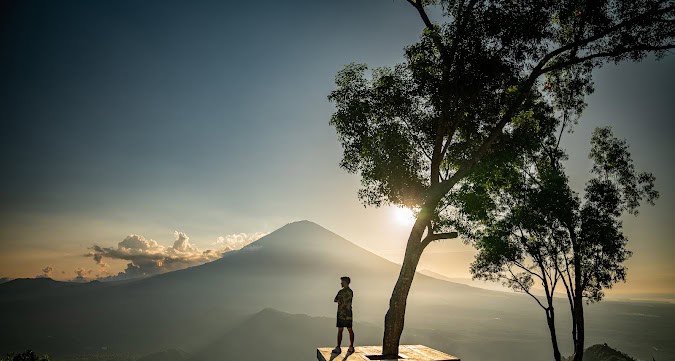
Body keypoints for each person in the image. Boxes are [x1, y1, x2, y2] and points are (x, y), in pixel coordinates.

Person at [332, 276, 355, 354]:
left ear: (345, 282)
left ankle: (338, 347)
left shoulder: (341, 292)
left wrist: (340, 301)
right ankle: (351, 346)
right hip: (348, 313)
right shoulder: (350, 291)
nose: (341, 283)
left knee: (340, 330)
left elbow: (335, 300)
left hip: (341, 313)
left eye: (342, 282)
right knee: (349, 329)